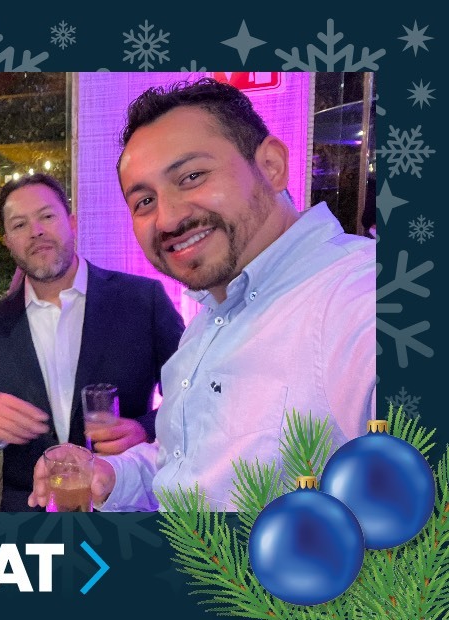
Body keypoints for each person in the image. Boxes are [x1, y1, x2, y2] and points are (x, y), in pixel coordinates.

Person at [29, 78, 376, 512]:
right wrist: (112, 474)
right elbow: (186, 467)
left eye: (192, 176)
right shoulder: (207, 325)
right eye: (144, 201)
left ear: (271, 165)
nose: (168, 219)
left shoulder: (361, 299)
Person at [0, 173, 184, 511]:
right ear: (8, 242)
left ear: (72, 223)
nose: (36, 231)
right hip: (28, 512)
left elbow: (192, 399)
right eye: (19, 225)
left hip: (120, 504)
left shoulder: (142, 300)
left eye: (47, 216)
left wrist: (145, 429)